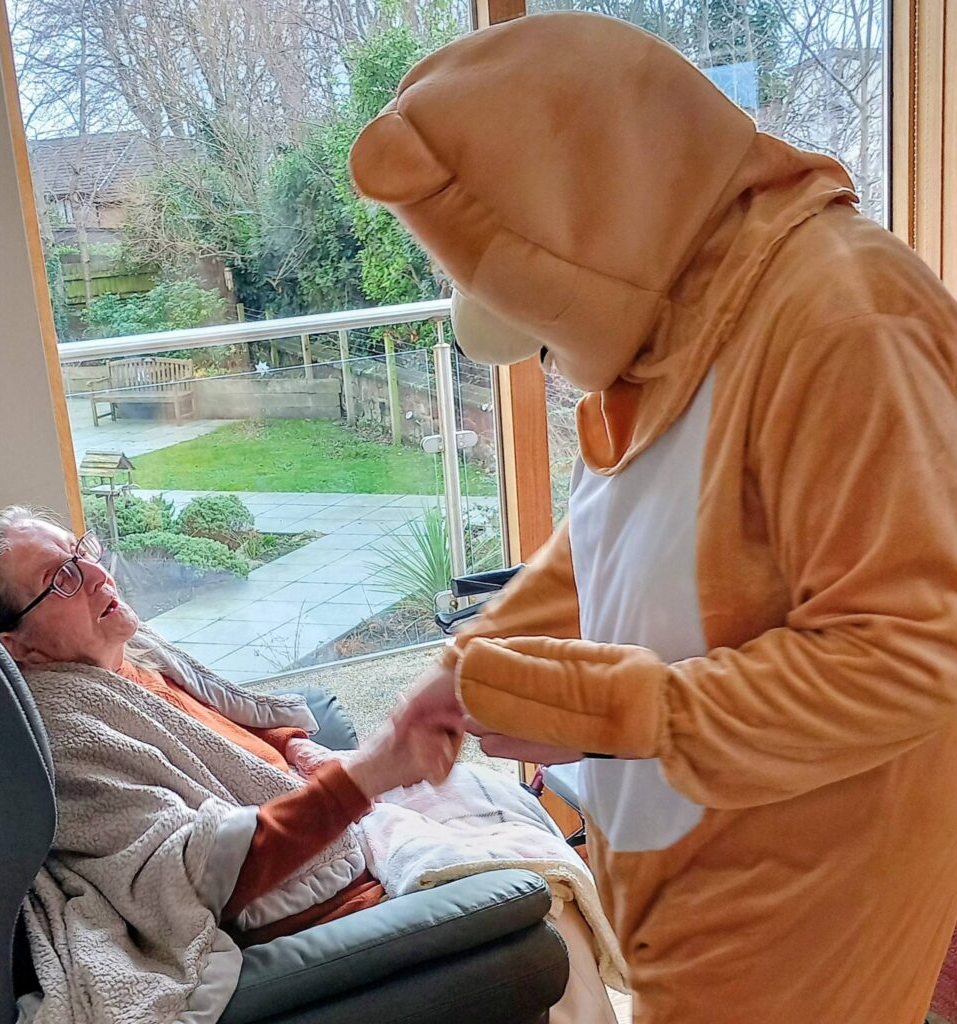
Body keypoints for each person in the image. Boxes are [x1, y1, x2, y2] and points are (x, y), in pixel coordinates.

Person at [348, 12, 957, 1024]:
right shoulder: (670, 318)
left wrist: (621, 710)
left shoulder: (846, 318)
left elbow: (913, 648)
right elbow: (612, 533)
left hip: (808, 887)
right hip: (690, 871)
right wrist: (473, 665)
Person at [0, 507, 618, 1024]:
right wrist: (369, 775)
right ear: (16, 647)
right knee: (545, 897)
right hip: (316, 895)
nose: (95, 574)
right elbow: (194, 873)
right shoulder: (69, 730)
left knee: (491, 794)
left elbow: (233, 713)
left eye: (79, 551)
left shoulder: (131, 651)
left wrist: (299, 746)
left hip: (324, 813)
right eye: (59, 579)